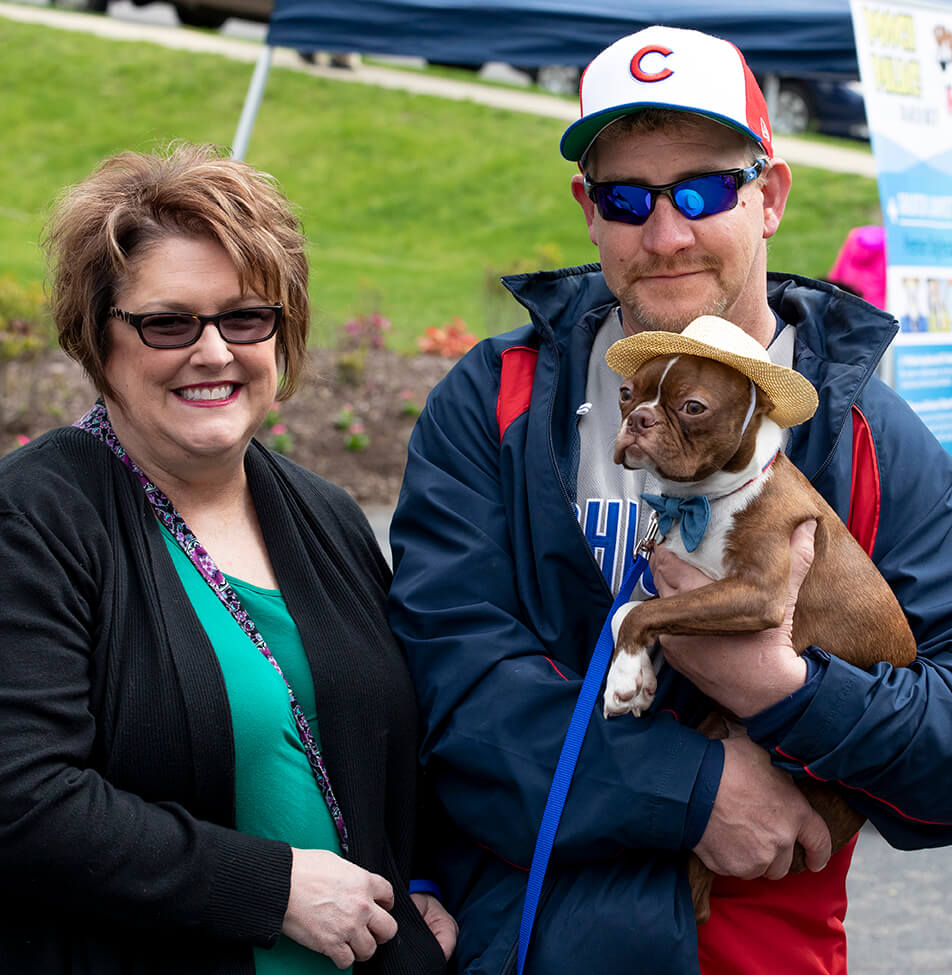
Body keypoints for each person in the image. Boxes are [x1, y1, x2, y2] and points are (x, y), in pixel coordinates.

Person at [387, 25, 952, 975]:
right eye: (626, 197)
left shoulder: (868, 439)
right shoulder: (496, 403)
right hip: (522, 942)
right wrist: (694, 791)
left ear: (768, 196)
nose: (665, 233)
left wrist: (787, 693)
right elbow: (454, 694)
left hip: (760, 946)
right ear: (587, 208)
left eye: (700, 190)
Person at [0, 143, 456, 974]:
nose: (213, 352)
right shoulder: (34, 516)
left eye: (246, 317)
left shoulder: (324, 513)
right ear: (99, 338)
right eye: (169, 322)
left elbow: (396, 742)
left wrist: (423, 873)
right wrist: (271, 888)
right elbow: (23, 799)